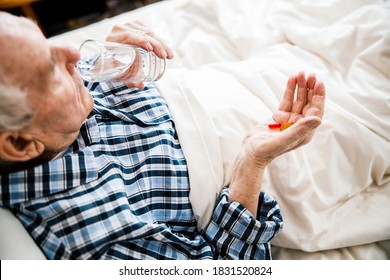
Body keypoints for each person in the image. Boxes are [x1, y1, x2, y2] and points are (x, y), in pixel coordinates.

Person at [0, 12, 325, 260]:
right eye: (49, 69)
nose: (72, 52)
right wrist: (252, 164)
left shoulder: (49, 110)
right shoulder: (78, 235)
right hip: (274, 148)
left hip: (238, 76)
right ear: (20, 144)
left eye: (46, 41)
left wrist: (113, 55)